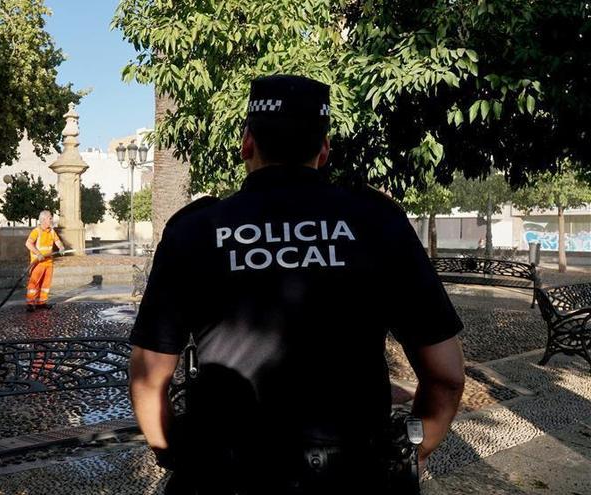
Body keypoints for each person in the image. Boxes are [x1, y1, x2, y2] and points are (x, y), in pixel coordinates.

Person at [128, 75, 465, 494]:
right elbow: (447, 376)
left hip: (226, 474)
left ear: (247, 143)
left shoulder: (195, 230)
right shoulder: (378, 222)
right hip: (353, 475)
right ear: (323, 150)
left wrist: (176, 456)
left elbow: (148, 378)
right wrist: (405, 457)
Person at [25, 210, 64, 312]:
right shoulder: (36, 231)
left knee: (46, 284)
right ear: (43, 219)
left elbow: (57, 241)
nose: (52, 220)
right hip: (38, 263)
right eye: (50, 218)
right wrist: (38, 254)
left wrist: (61, 247)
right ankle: (30, 303)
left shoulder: (51, 231)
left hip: (49, 262)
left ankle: (41, 302)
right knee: (34, 284)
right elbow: (28, 244)